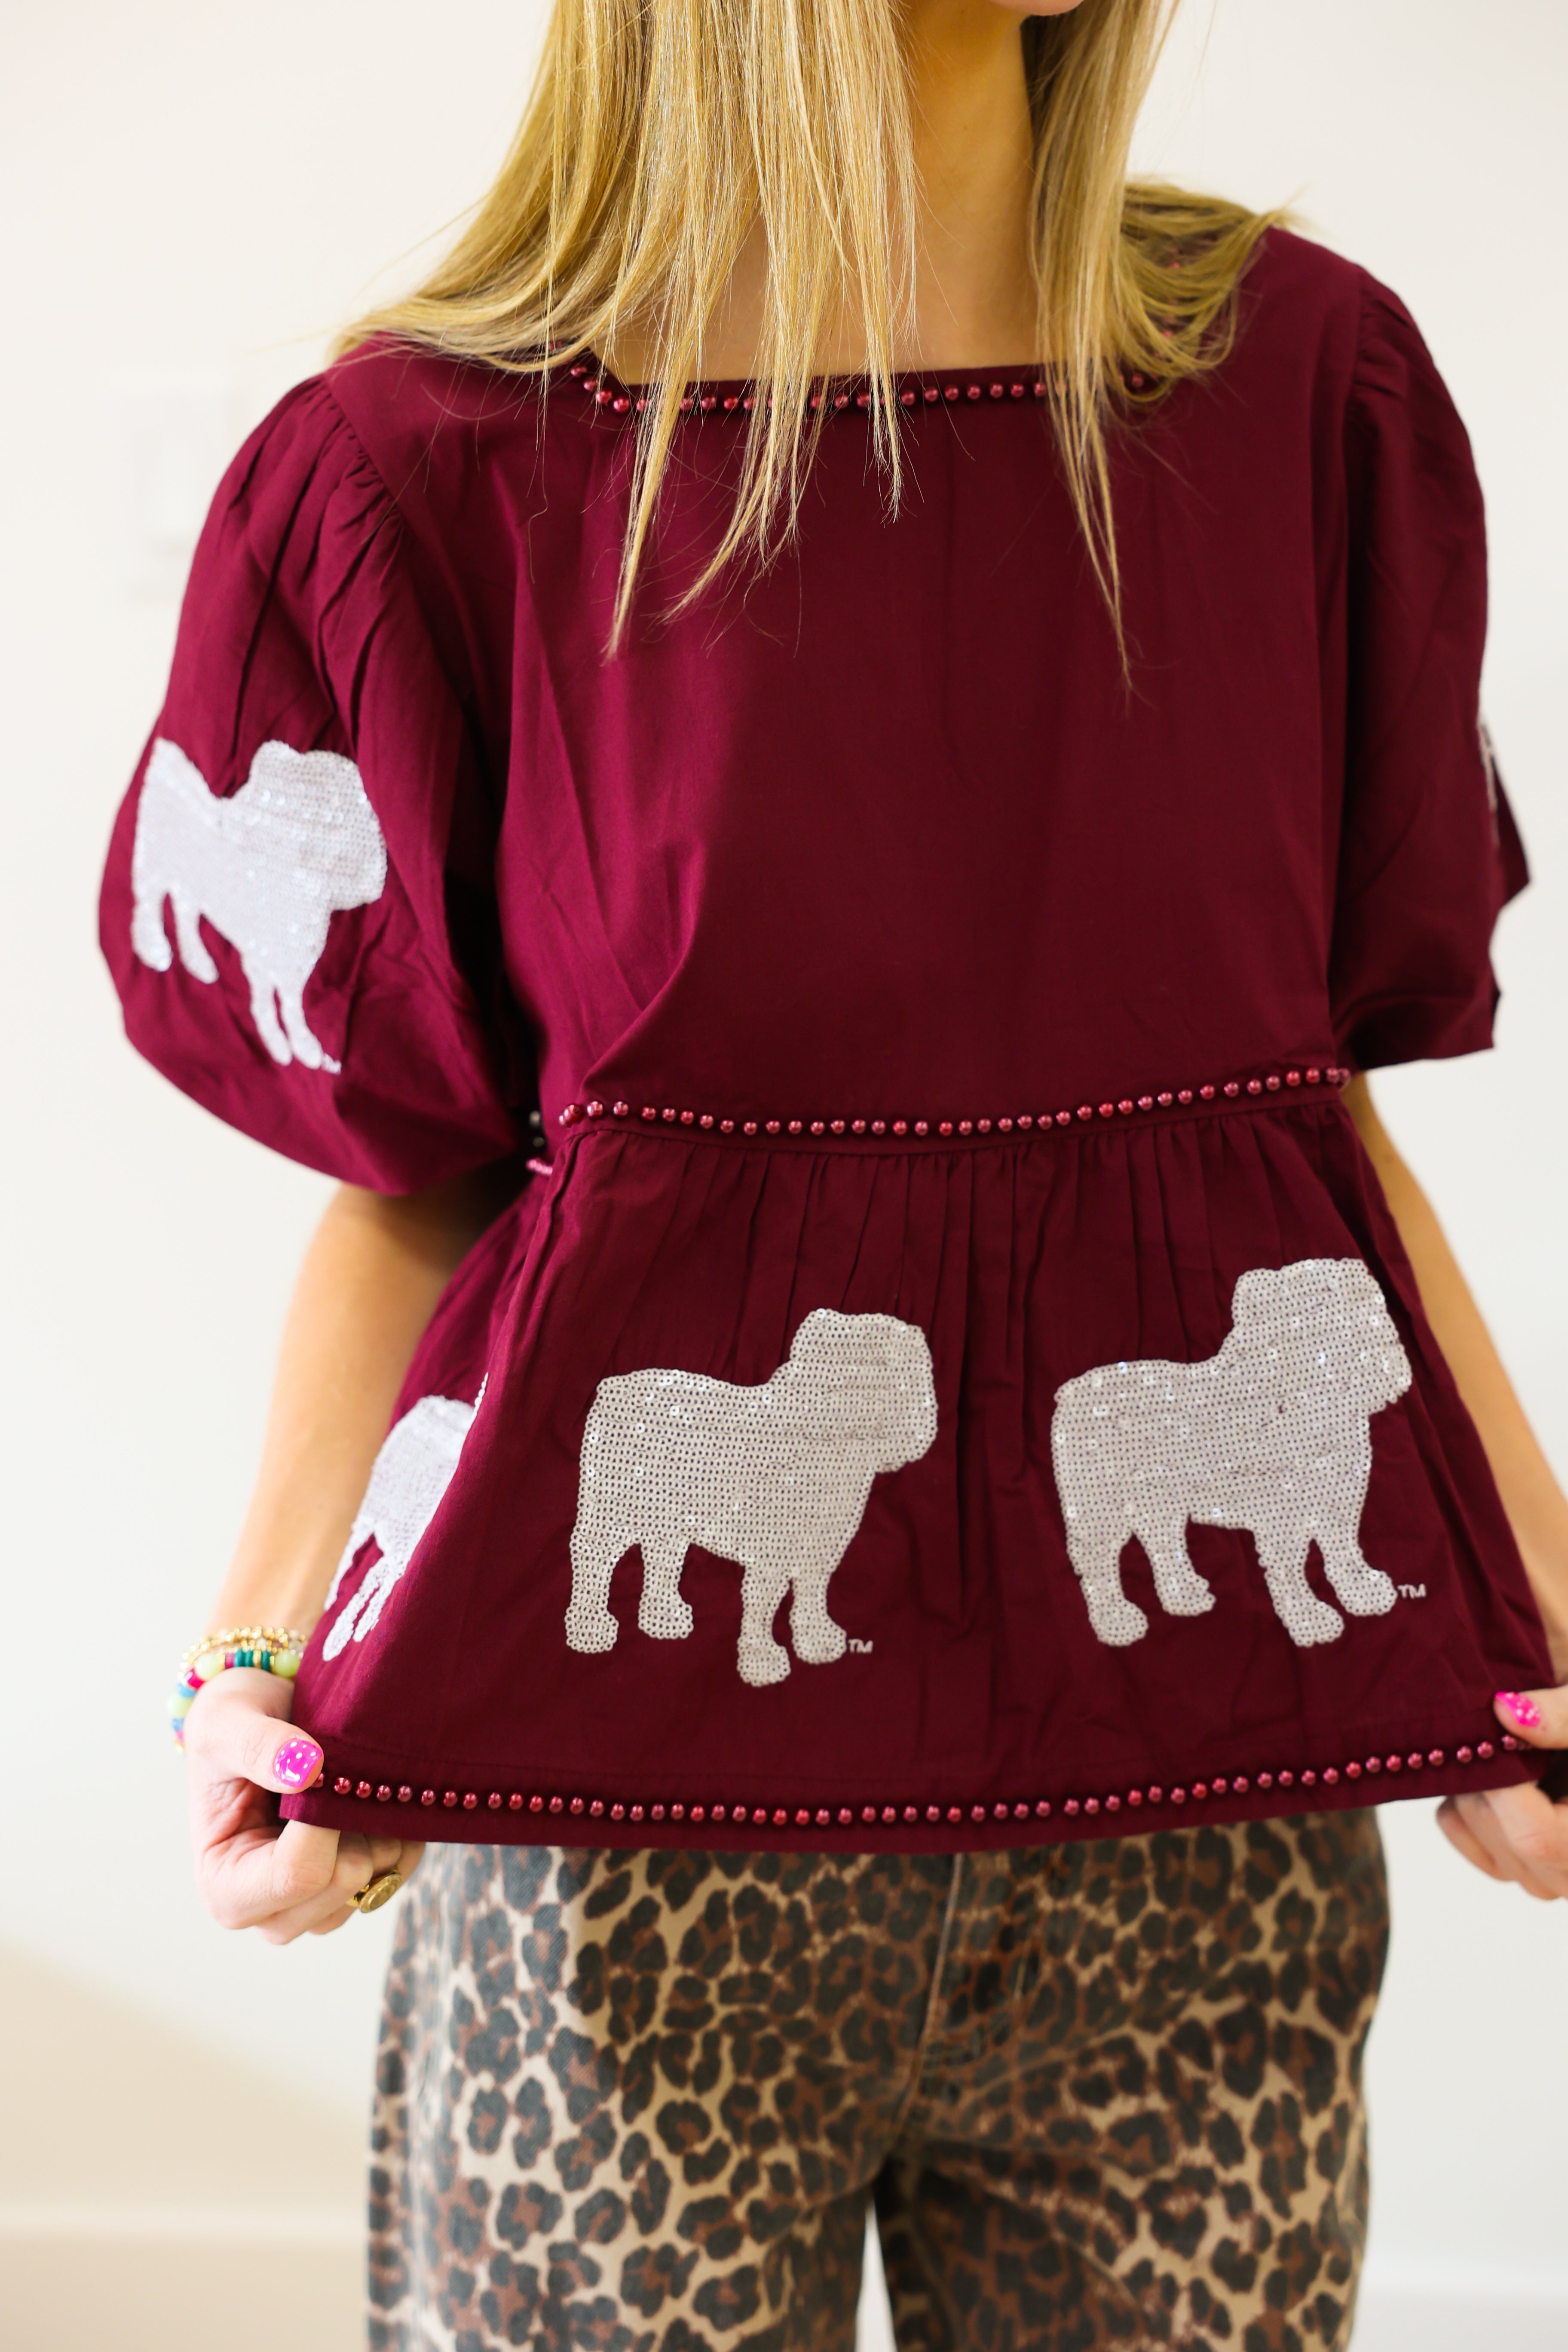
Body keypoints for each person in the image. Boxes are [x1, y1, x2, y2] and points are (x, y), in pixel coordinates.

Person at [101, 0, 1568, 2344]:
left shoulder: (1308, 394)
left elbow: (1299, 1127)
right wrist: (265, 1667)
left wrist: (1532, 1608)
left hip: (1203, 1815)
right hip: (617, 1836)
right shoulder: (419, 470)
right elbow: (426, 1173)